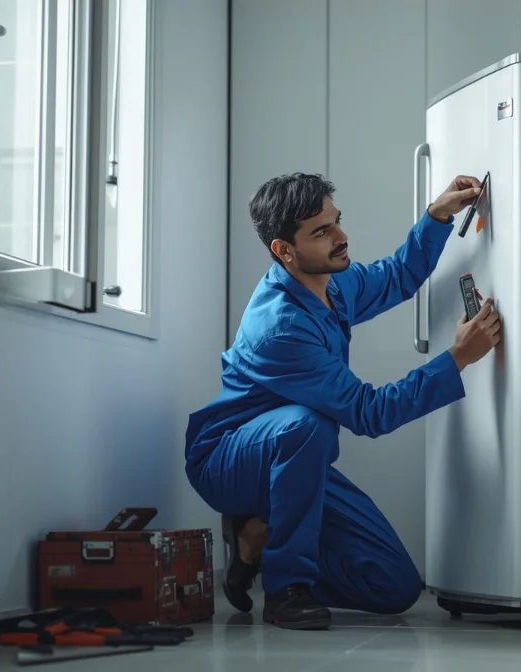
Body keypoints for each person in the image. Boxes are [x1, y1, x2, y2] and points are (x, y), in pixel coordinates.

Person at [183, 172, 503, 630]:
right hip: (229, 460)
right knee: (305, 424)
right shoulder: (282, 328)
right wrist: (457, 359)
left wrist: (436, 216)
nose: (341, 237)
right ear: (284, 250)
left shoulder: (332, 283)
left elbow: (397, 277)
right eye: (321, 231)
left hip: (295, 462)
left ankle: (259, 535)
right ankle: (286, 588)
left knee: (394, 587)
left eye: (336, 221)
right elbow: (371, 413)